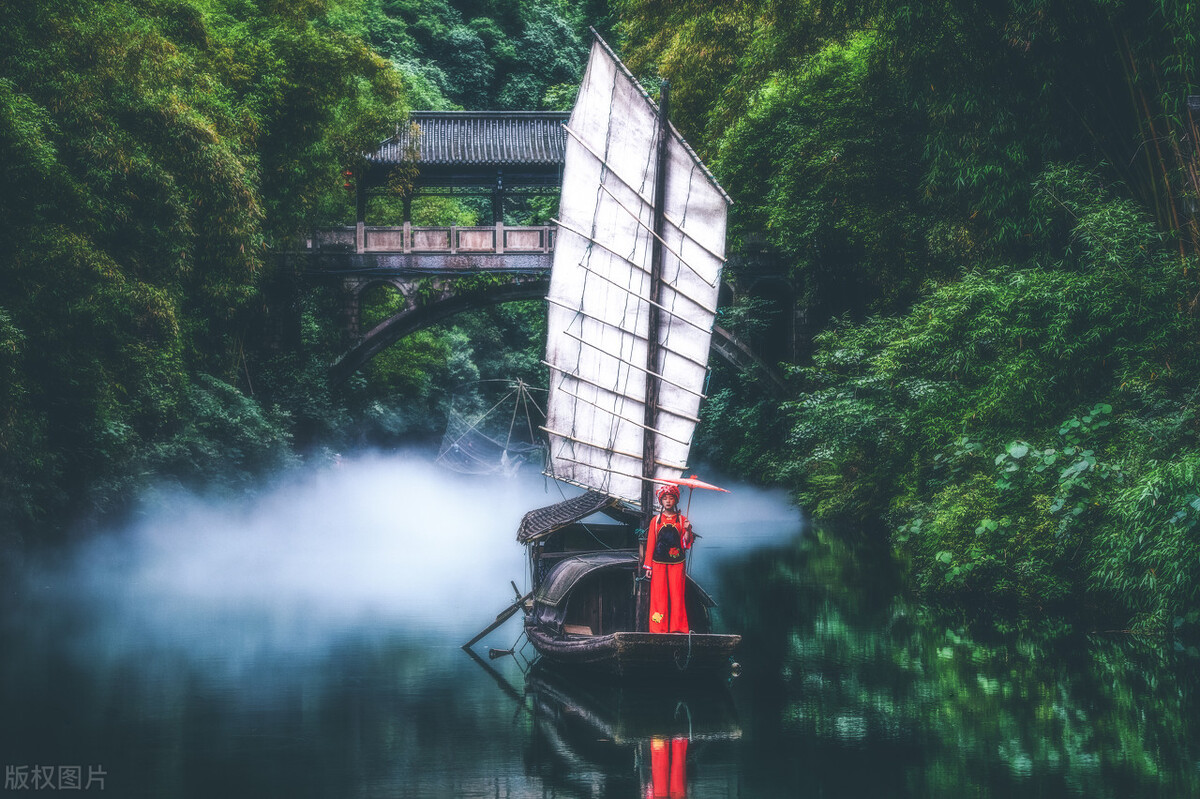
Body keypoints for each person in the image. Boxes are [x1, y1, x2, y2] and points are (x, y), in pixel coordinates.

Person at [643, 484, 693, 633]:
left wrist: (688, 529)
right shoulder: (656, 520)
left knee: (677, 595)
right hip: (658, 563)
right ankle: (659, 628)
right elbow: (651, 544)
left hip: (677, 562)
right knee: (659, 596)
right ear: (661, 501)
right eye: (665, 498)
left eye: (671, 498)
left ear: (676, 500)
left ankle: (678, 628)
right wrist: (648, 567)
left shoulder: (682, 520)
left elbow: (685, 543)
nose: (668, 501)